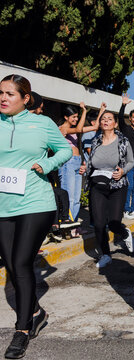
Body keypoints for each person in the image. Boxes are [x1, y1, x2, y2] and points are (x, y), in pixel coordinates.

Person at [0, 74, 72, 358]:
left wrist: (47, 162)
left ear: (25, 98)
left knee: (20, 262)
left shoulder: (43, 124)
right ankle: (37, 312)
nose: (3, 98)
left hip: (35, 202)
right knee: (10, 263)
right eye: (0, 93)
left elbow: (66, 149)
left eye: (9, 94)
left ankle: (22, 329)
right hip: (3, 204)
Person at [81, 111, 134, 268]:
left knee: (113, 223)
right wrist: (84, 169)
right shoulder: (96, 141)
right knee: (98, 224)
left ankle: (124, 233)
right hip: (98, 186)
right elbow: (92, 163)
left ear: (115, 123)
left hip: (117, 186)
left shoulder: (123, 141)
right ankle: (105, 254)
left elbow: (131, 162)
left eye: (109, 119)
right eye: (103, 119)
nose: (105, 121)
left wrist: (123, 171)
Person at [57, 102, 101, 223]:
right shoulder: (63, 128)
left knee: (76, 199)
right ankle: (68, 224)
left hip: (76, 162)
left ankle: (74, 225)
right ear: (66, 117)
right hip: (67, 163)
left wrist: (101, 111)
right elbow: (79, 129)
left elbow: (95, 127)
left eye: (77, 117)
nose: (76, 119)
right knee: (69, 198)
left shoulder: (74, 130)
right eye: (74, 117)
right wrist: (84, 111)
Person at [117, 94, 134, 219]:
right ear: (130, 118)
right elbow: (120, 118)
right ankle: (126, 210)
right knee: (129, 186)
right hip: (127, 162)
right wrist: (123, 105)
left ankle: (133, 209)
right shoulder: (125, 129)